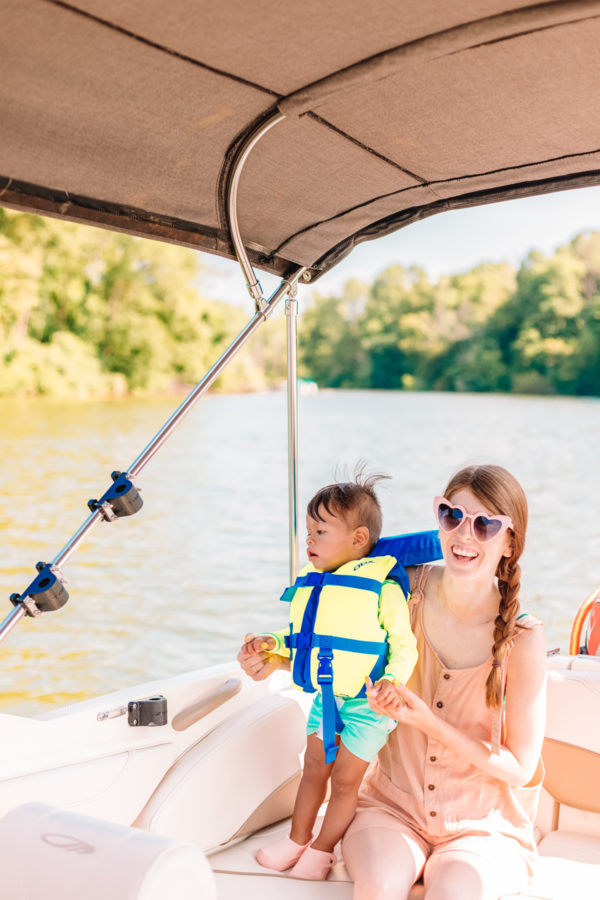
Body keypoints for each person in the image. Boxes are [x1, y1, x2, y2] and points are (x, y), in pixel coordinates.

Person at [341, 464, 547, 900]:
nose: (464, 535)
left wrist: (429, 724)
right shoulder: (401, 591)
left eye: (485, 524)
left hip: (483, 830)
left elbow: (521, 768)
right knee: (376, 888)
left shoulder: (523, 638)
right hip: (390, 809)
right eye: (452, 516)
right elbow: (340, 653)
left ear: (510, 541)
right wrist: (279, 661)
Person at [238, 473, 418, 881]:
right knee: (313, 767)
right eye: (308, 531)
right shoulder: (317, 584)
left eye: (320, 531)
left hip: (368, 705)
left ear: (358, 539)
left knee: (344, 780)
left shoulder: (383, 589)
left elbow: (405, 646)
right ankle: (296, 840)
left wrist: (392, 681)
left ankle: (321, 851)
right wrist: (272, 644)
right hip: (327, 697)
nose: (310, 540)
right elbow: (304, 640)